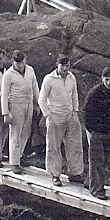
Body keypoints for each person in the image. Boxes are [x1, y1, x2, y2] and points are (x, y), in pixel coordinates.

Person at [39, 53, 84, 187]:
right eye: (62, 66)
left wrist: (75, 111)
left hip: (70, 116)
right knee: (54, 147)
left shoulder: (71, 77)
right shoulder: (49, 79)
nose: (65, 68)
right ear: (57, 65)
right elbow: (42, 99)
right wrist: (48, 115)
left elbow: (74, 94)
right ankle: (55, 175)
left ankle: (75, 173)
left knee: (75, 145)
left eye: (67, 66)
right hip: (55, 117)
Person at [83, 67, 110, 200]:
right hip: (97, 132)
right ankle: (96, 189)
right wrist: (92, 131)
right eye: (107, 80)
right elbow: (86, 113)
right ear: (102, 79)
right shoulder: (94, 93)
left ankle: (90, 182)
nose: (109, 83)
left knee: (104, 160)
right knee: (97, 161)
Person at [1, 50, 40, 175]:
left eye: (22, 62)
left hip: (28, 103)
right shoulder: (8, 75)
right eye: (18, 63)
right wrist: (5, 113)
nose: (21, 65)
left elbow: (35, 87)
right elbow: (4, 95)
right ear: (13, 62)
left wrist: (38, 103)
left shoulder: (30, 70)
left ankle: (19, 156)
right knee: (15, 134)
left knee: (26, 133)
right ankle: (14, 163)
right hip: (15, 104)